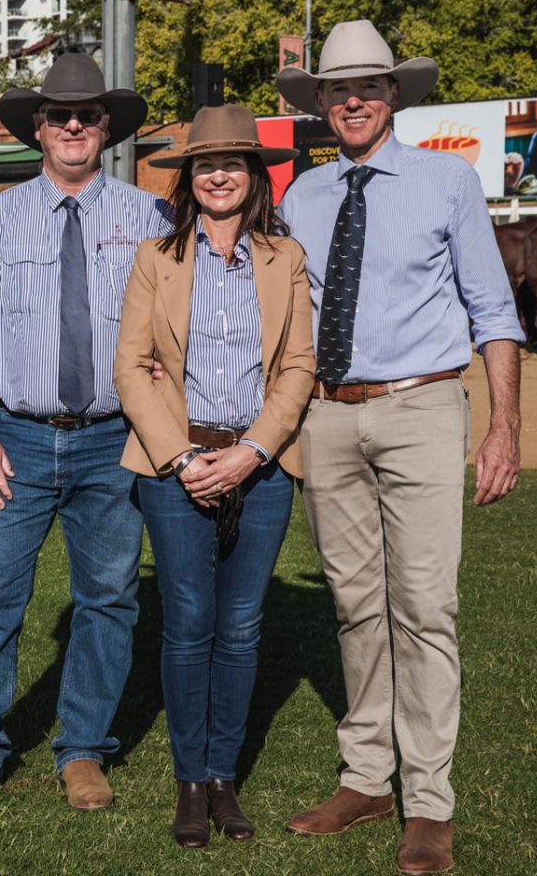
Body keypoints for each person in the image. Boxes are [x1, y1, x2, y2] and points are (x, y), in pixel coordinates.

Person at [275, 20, 523, 874]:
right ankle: (367, 775)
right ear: (318, 103)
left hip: (421, 408)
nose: (351, 100)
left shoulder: (447, 181)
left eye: (367, 87)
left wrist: (504, 427)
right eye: (337, 89)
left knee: (425, 607)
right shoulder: (300, 198)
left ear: (393, 96)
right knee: (355, 604)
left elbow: (495, 313)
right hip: (327, 418)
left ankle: (429, 801)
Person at [0, 51, 170, 812]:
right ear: (38, 129)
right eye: (60, 114)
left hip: (112, 440)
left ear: (106, 128)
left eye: (89, 114)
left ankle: (84, 750)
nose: (73, 124)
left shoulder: (147, 217)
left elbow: (173, 322)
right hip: (16, 438)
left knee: (108, 596)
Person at [113, 105, 314, 848]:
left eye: (233, 163)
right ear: (189, 178)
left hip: (260, 467)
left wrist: (254, 450)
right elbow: (131, 367)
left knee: (241, 625)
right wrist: (182, 457)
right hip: (176, 467)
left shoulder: (282, 259)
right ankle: (189, 782)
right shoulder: (154, 257)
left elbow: (298, 365)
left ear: (254, 177)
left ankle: (225, 776)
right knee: (189, 623)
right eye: (206, 164)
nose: (220, 175)